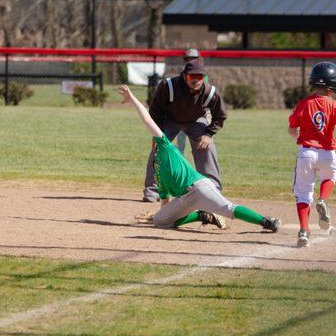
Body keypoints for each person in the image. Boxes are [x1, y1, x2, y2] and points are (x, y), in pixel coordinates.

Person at [119, 84, 281, 232]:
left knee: (228, 209)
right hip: (184, 198)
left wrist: (132, 99)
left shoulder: (167, 147)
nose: (153, 138)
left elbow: (147, 120)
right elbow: (164, 198)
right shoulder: (157, 169)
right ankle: (202, 215)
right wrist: (161, 214)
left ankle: (266, 221)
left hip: (200, 189)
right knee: (160, 221)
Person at [288, 61, 336, 248]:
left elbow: (291, 128)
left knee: (303, 194)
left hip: (306, 153)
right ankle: (323, 199)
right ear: (334, 84)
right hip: (328, 154)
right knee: (330, 176)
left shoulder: (303, 103)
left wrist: (298, 136)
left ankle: (304, 231)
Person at [142, 58, 227, 202]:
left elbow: (220, 116)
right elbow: (155, 110)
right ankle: (153, 190)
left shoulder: (210, 92)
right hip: (170, 120)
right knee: (159, 148)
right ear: (184, 75)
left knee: (207, 147)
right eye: (193, 76)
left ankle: (213, 190)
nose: (197, 80)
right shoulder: (168, 86)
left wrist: (208, 134)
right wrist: (156, 133)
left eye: (200, 76)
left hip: (196, 121)